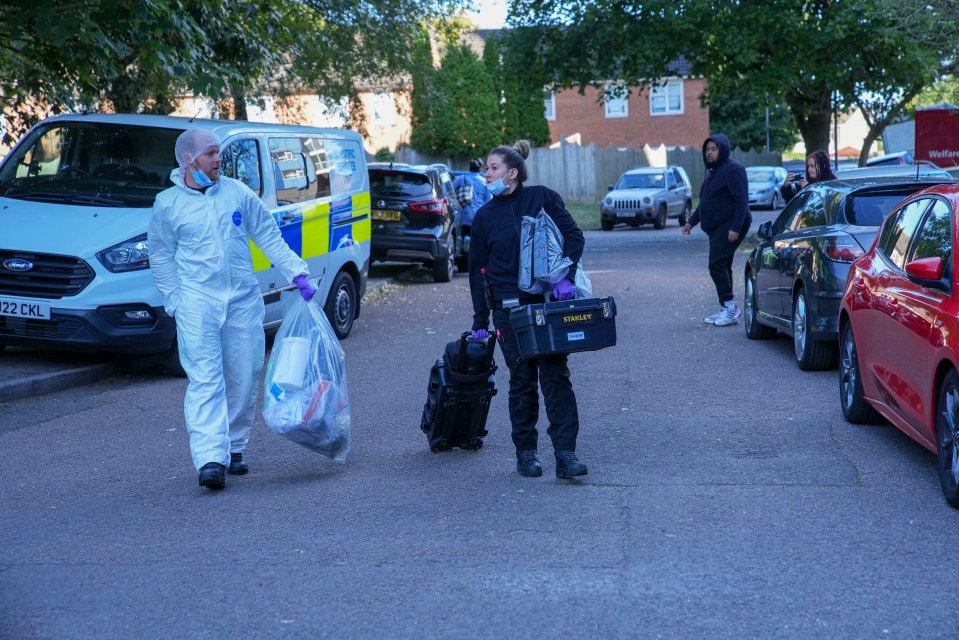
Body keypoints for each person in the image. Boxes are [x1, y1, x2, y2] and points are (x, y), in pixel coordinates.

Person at [148, 129, 317, 491]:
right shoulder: (167, 204)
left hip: (241, 299)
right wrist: (174, 298)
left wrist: (297, 271)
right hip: (198, 302)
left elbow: (268, 234)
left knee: (244, 375)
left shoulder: (236, 193)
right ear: (188, 160)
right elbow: (160, 254)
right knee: (205, 379)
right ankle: (211, 458)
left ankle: (235, 446)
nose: (217, 159)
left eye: (217, 153)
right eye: (210, 154)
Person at [468, 139, 588, 479]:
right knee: (521, 382)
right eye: (487, 168)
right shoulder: (484, 217)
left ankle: (566, 455)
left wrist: (566, 277)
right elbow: (478, 271)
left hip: (547, 306)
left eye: (493, 168)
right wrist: (481, 318)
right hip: (509, 310)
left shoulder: (542, 198)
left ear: (512, 173)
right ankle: (526, 453)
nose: (487, 173)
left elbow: (573, 237)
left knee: (556, 377)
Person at [682, 133, 751, 327]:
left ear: (723, 150)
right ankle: (726, 308)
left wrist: (735, 227)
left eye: (714, 149)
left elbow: (742, 201)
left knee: (716, 264)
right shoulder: (712, 172)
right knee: (723, 264)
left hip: (730, 224)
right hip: (717, 226)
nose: (709, 153)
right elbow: (705, 202)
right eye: (707, 149)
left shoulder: (733, 169)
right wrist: (691, 222)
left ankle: (730, 308)